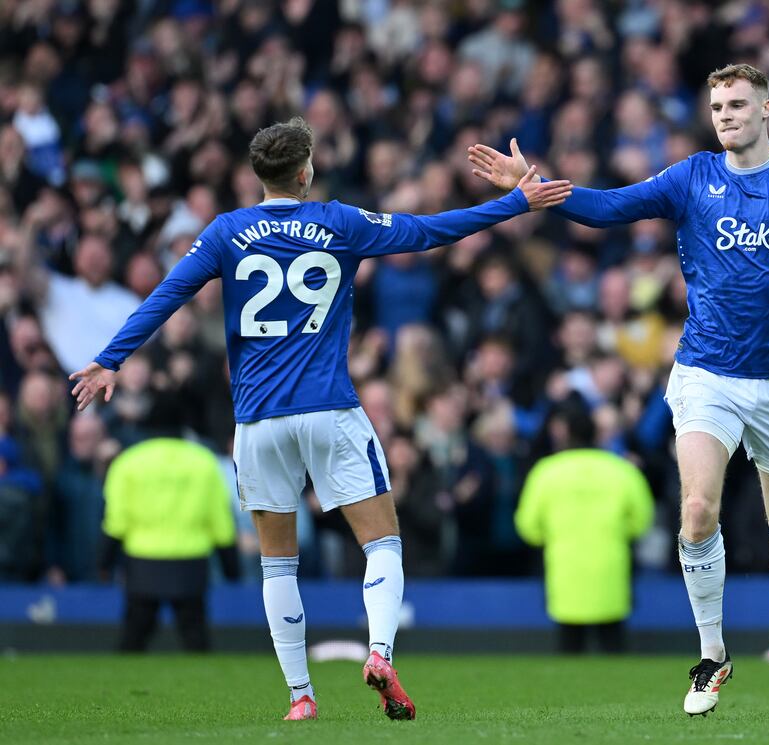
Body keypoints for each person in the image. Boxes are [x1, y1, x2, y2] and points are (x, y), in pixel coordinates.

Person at [70, 116, 572, 721]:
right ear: (306, 171)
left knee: (277, 562)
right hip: (329, 409)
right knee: (383, 543)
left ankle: (300, 696)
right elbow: (430, 232)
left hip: (258, 422)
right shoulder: (339, 222)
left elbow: (167, 295)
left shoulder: (227, 232)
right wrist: (513, 204)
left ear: (257, 175)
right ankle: (380, 652)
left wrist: (108, 360)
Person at [469, 63, 769, 715]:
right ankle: (712, 655)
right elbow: (607, 207)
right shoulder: (692, 176)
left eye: (739, 104)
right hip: (706, 372)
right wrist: (534, 187)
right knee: (695, 510)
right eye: (718, 106)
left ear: (766, 108)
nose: (727, 115)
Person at [514, 396, 653, 654]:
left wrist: (554, 536)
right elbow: (642, 521)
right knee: (614, 647)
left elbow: (527, 526)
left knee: (569, 650)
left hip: (565, 574)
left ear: (565, 435)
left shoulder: (546, 472)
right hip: (611, 573)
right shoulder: (621, 470)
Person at [100, 431, 239, 652]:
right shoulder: (203, 462)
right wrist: (232, 566)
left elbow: (116, 521)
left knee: (134, 637)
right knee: (195, 638)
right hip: (190, 562)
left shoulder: (129, 461)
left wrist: (104, 563)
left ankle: (120, 684)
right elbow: (220, 521)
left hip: (143, 561)